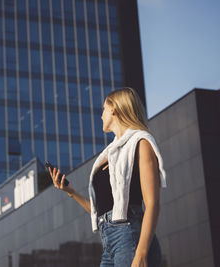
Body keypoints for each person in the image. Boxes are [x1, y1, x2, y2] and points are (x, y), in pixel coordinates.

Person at [48, 87, 167, 267]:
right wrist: (70, 192)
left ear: (114, 109)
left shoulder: (141, 143)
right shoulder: (109, 154)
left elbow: (152, 204)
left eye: (104, 109)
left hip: (130, 236)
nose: (101, 115)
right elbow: (101, 211)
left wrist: (141, 254)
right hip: (110, 243)